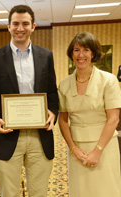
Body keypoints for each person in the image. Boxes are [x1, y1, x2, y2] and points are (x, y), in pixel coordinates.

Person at [0, 5, 59, 197]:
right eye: (15, 24)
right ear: (8, 26)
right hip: (7, 136)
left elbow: (52, 92)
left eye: (25, 23)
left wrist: (52, 112)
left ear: (33, 26)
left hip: (39, 136)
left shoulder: (46, 56)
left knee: (39, 193)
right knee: (9, 193)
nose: (20, 28)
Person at [58, 31, 121, 197]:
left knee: (105, 190)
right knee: (80, 191)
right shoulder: (64, 84)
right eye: (76, 50)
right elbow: (63, 120)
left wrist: (98, 150)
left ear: (93, 53)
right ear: (71, 54)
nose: (81, 55)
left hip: (104, 146)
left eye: (86, 50)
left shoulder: (108, 80)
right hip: (77, 148)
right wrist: (73, 148)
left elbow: (113, 119)